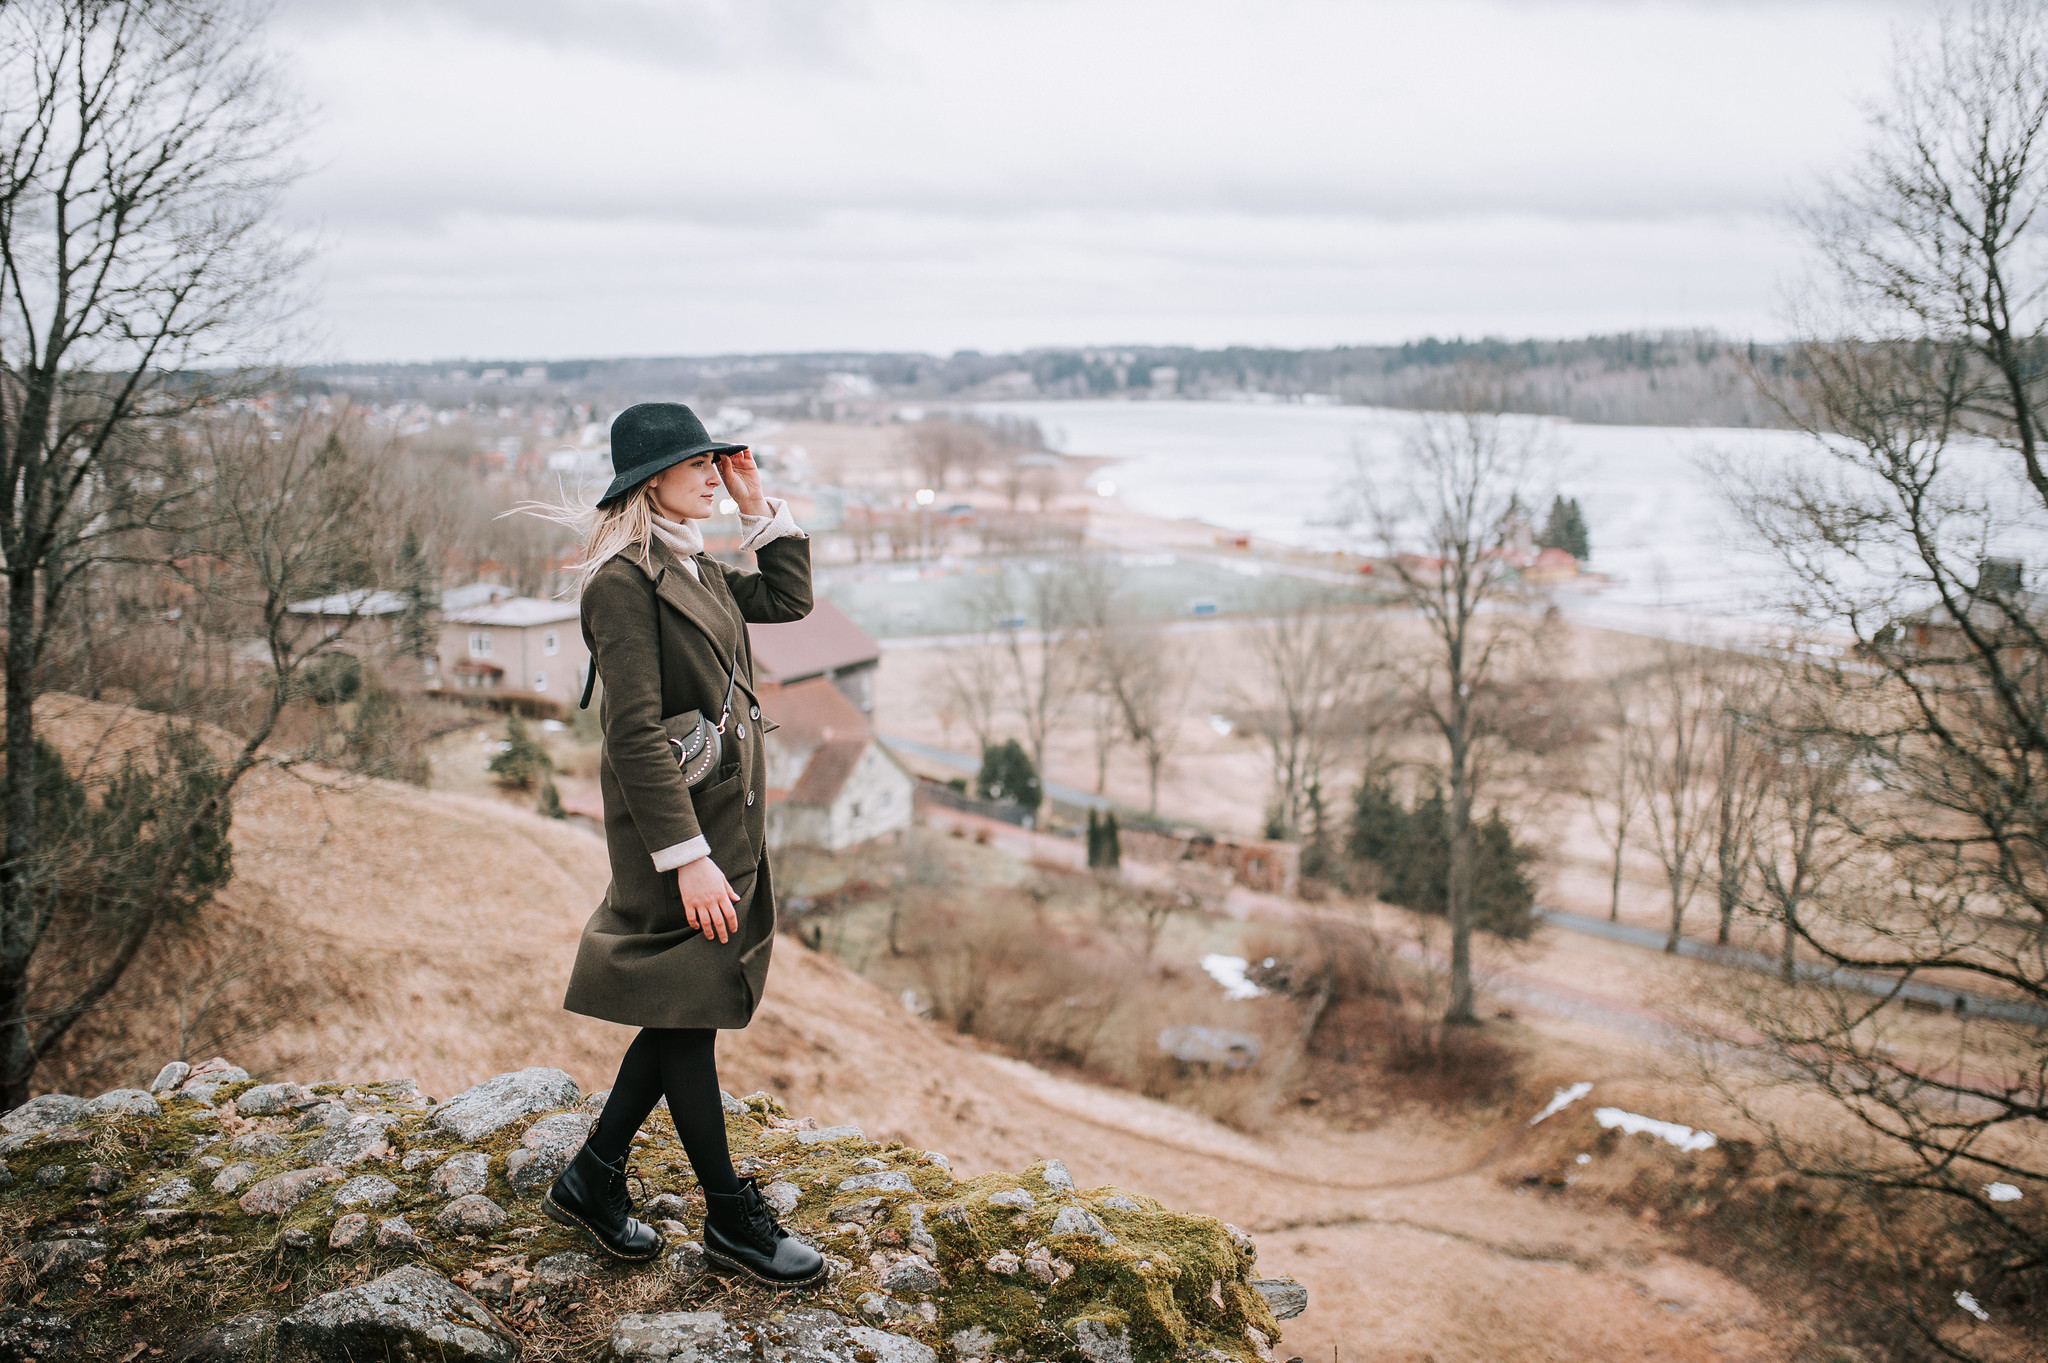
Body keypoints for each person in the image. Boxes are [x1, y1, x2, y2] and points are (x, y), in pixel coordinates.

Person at [531, 401, 824, 1289]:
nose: (712, 470)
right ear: (649, 480)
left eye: (714, 460)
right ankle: (730, 1215)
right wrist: (686, 857)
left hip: (722, 826)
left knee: (677, 1012)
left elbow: (789, 597)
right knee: (689, 1017)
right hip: (678, 840)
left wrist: (753, 503)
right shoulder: (622, 583)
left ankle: (593, 1176)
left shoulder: (693, 568)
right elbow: (632, 735)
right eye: (697, 463)